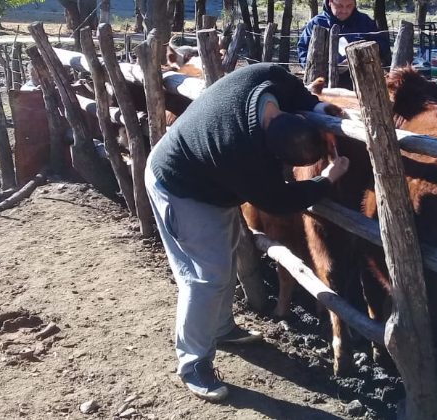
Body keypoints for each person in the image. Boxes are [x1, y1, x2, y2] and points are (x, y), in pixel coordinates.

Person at [145, 63, 350, 403]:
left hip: (208, 179)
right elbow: (279, 199)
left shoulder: (265, 78)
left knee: (222, 259)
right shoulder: (239, 150)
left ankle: (221, 329)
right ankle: (193, 363)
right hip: (180, 186)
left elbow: (293, 86)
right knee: (205, 276)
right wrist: (327, 178)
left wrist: (317, 108)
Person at [298, 0, 391, 87]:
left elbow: (382, 47)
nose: (344, 10)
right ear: (330, 2)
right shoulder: (316, 23)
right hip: (323, 84)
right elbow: (303, 50)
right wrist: (318, 68)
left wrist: (360, 56)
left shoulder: (365, 22)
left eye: (349, 6)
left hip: (362, 84)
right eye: (339, 6)